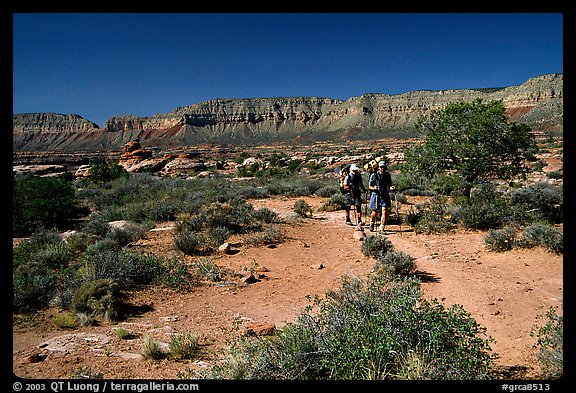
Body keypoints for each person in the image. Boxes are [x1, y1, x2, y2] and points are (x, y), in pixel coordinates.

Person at [368, 160, 395, 231]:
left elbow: (389, 184)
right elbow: (369, 186)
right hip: (376, 195)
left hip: (384, 194)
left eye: (383, 167)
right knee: (374, 212)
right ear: (378, 168)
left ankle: (381, 227)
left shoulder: (387, 175)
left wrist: (391, 187)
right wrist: (373, 188)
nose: (382, 168)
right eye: (381, 167)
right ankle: (372, 222)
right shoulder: (374, 175)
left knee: (384, 211)